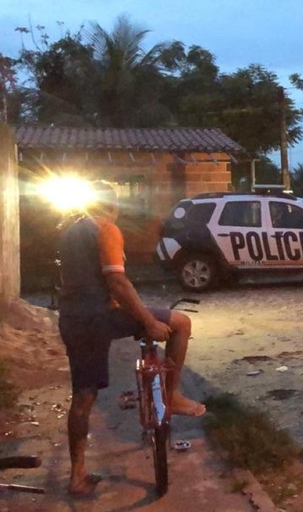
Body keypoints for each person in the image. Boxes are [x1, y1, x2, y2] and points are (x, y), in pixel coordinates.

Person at [57, 181, 205, 496]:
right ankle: (171, 396)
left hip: (71, 320)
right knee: (180, 323)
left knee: (82, 397)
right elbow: (118, 284)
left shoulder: (69, 230)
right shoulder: (106, 228)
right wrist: (149, 321)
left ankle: (77, 474)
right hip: (100, 317)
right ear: (113, 206)